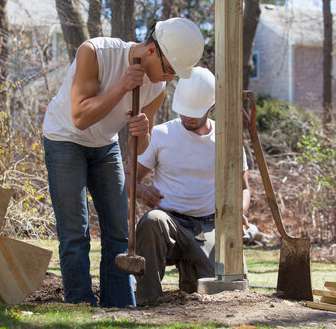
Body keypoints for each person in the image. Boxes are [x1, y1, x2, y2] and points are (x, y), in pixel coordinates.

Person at [42, 18, 205, 308]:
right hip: (65, 139)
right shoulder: (95, 52)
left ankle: (119, 306)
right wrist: (122, 86)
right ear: (152, 50)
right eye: (169, 70)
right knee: (75, 229)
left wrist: (141, 132)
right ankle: (80, 304)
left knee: (119, 230)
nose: (168, 79)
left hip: (104, 145)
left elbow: (141, 146)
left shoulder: (157, 88)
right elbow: (79, 117)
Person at [126, 67, 251, 306]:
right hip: (168, 221)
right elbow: (130, 175)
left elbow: (244, 188)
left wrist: (238, 213)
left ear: (212, 107)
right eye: (184, 112)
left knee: (227, 294)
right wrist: (141, 190)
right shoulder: (161, 135)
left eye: (194, 113)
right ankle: (147, 300)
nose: (187, 118)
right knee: (152, 220)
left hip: (208, 225)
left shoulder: (227, 141)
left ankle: (191, 274)